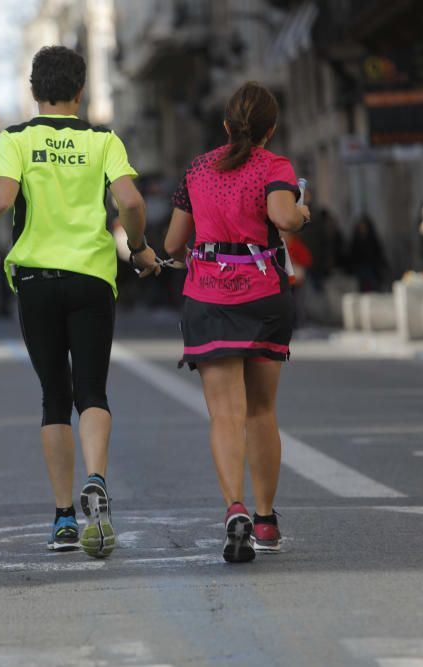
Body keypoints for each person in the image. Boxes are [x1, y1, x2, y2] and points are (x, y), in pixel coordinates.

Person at [0, 46, 160, 558]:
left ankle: (62, 519)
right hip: (92, 278)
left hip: (36, 280)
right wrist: (139, 248)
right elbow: (133, 202)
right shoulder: (103, 140)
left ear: (34, 91)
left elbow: (0, 200)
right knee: (92, 391)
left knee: (55, 396)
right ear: (81, 91)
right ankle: (97, 481)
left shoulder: (16, 139)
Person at [163, 82, 309, 563]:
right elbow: (284, 218)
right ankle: (266, 522)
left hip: (207, 298)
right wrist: (302, 209)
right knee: (261, 412)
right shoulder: (276, 166)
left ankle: (235, 507)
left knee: (225, 414)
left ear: (226, 126)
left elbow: (171, 243)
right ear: (271, 128)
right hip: (264, 296)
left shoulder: (197, 169)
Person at [348, 216, 388, 292]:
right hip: (360, 268)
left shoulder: (372, 239)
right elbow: (352, 254)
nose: (363, 229)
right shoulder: (356, 240)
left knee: (374, 287)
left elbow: (378, 253)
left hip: (372, 268)